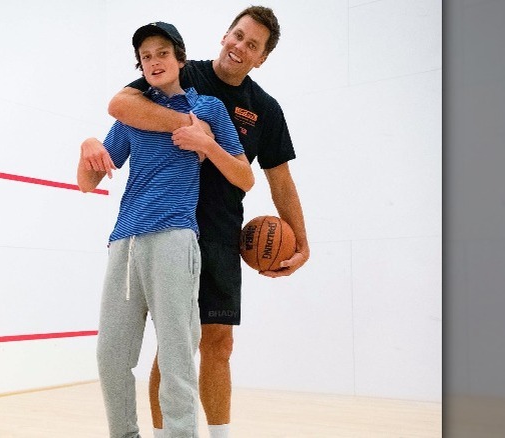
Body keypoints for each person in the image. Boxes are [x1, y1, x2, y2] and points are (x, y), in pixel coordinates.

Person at [97, 6, 311, 438]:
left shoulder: (265, 109)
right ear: (224, 35)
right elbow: (121, 105)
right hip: (168, 229)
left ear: (261, 58)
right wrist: (192, 127)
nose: (240, 46)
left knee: (218, 345)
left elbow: (278, 179)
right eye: (237, 35)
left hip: (221, 233)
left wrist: (302, 244)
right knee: (174, 349)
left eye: (252, 44)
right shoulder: (183, 72)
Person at [77, 21, 253, 438]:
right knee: (111, 356)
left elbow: (245, 177)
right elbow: (88, 182)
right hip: (124, 242)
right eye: (146, 57)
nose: (154, 62)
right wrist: (88, 144)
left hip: (175, 238)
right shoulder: (133, 113)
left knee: (176, 355)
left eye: (161, 53)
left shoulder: (208, 109)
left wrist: (206, 145)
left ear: (180, 59)